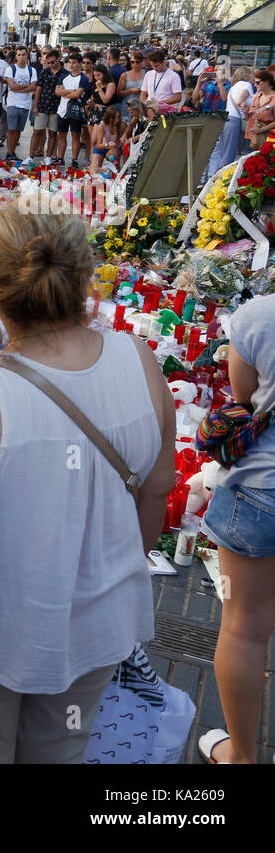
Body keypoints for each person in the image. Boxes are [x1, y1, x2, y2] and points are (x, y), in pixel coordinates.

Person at [0, 199, 174, 764]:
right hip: (95, 627)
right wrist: (110, 574)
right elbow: (156, 490)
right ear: (83, 277)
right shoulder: (137, 359)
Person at [196, 294, 275, 763]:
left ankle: (242, 756)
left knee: (244, 629)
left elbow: (242, 395)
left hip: (262, 490)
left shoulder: (261, 315)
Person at [204, 66, 253, 182]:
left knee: (225, 150)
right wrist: (244, 108)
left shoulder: (234, 86)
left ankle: (219, 177)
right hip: (237, 120)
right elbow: (240, 99)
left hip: (229, 119)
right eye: (251, 73)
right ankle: (222, 179)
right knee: (230, 152)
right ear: (247, 74)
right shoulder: (246, 85)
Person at [54, 53, 91, 167]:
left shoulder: (83, 78)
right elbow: (57, 92)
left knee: (75, 135)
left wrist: (66, 92)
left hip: (76, 110)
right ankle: (60, 158)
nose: (71, 65)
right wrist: (72, 91)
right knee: (61, 134)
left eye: (74, 62)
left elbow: (78, 94)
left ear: (79, 64)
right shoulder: (64, 76)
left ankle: (74, 159)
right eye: (70, 62)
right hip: (62, 110)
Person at [0, 47, 37, 163]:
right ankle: (9, 153)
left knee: (18, 131)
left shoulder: (32, 70)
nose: (21, 57)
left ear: (27, 56)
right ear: (16, 56)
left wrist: (20, 88)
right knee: (11, 129)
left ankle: (13, 152)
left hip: (25, 105)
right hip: (12, 103)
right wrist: (26, 87)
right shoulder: (11, 69)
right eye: (19, 55)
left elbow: (33, 86)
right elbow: (12, 86)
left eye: (23, 55)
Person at [29, 50, 61, 162]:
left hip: (57, 107)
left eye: (52, 62)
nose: (50, 65)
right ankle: (30, 156)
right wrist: (35, 105)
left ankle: (48, 157)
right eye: (48, 63)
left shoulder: (64, 73)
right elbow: (38, 88)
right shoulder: (44, 72)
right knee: (37, 131)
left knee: (52, 133)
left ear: (58, 58)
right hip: (43, 105)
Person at [140, 49, 182, 114]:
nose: (154, 68)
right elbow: (143, 93)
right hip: (149, 111)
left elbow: (178, 97)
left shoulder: (174, 76)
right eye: (152, 65)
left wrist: (159, 104)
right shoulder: (149, 74)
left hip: (165, 112)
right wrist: (144, 105)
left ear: (163, 62)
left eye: (156, 65)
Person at [244, 69, 275, 151]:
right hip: (251, 135)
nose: (255, 85)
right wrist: (246, 111)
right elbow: (249, 116)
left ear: (267, 82)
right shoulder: (256, 96)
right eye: (254, 82)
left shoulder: (274, 99)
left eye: (257, 82)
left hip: (267, 137)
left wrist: (261, 130)